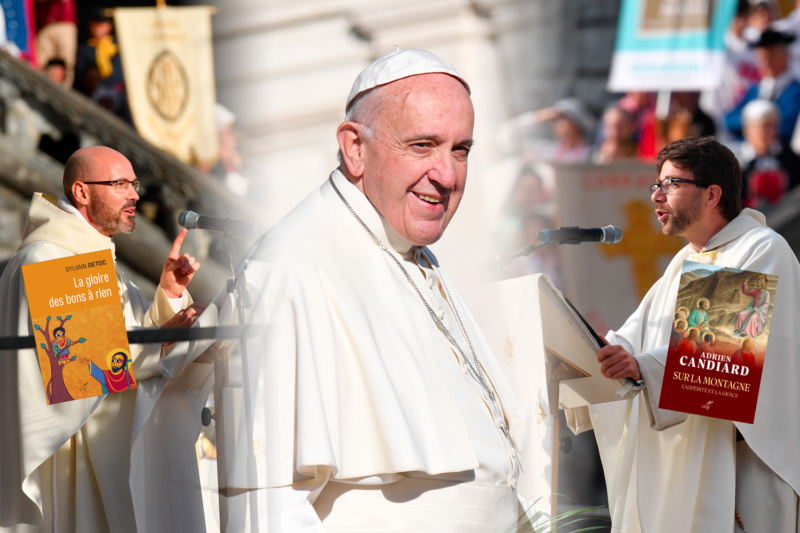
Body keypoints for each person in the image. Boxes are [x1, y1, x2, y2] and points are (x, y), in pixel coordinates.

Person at [210, 49, 528, 531]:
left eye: (460, 150)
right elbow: (265, 506)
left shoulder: (410, 252)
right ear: (355, 148)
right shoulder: (291, 267)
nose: (447, 175)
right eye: (422, 145)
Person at [579, 136, 800, 532]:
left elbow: (726, 355)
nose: (656, 196)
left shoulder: (761, 248)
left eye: (671, 183)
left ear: (712, 195)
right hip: (684, 460)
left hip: (740, 467)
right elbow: (632, 338)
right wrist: (585, 354)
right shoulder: (686, 260)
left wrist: (642, 367)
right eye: (656, 185)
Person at [0, 146, 213, 532]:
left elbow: (129, 336)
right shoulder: (50, 258)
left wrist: (167, 295)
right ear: (82, 192)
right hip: (71, 456)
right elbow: (83, 369)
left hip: (104, 447)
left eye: (134, 184)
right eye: (120, 184)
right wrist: (163, 342)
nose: (134, 195)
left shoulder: (96, 258)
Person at [725, 29, 800, 144]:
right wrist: (754, 124)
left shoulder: (796, 92)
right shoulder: (754, 90)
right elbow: (729, 120)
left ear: (785, 56)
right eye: (761, 58)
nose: (766, 63)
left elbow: (788, 127)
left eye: (771, 56)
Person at [738, 98, 800, 211]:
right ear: (748, 129)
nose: (771, 132)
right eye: (765, 126)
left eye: (774, 126)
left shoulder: (788, 157)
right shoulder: (738, 160)